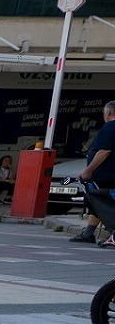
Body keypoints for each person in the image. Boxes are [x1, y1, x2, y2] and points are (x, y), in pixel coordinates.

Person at [69, 101, 115, 243]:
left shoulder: (110, 127)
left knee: (104, 203)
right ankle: (89, 233)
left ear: (108, 113)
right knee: (96, 203)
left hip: (106, 174)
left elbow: (104, 151)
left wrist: (88, 171)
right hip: (108, 173)